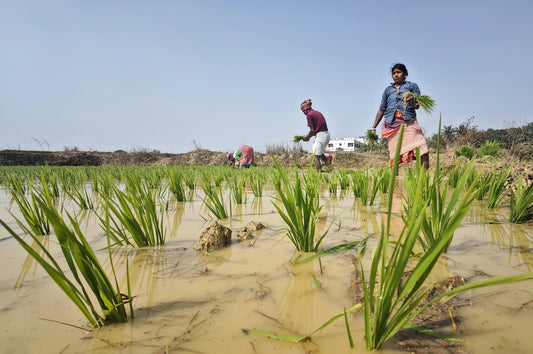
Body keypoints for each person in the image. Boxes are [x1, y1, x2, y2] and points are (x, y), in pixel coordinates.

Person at [371, 63, 429, 169]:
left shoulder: (412, 86)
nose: (396, 75)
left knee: (422, 149)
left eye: (399, 72)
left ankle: (424, 179)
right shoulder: (388, 90)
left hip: (409, 122)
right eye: (394, 73)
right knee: (395, 156)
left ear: (405, 73)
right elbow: (381, 109)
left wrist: (412, 100)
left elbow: (417, 106)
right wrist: (373, 127)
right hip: (392, 125)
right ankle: (395, 182)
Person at [300, 99, 331, 172]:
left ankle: (319, 175)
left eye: (303, 111)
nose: (303, 113)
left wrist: (307, 137)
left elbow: (312, 131)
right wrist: (308, 136)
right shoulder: (317, 113)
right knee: (320, 153)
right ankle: (330, 169)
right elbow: (316, 130)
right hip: (326, 135)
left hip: (321, 136)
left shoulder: (309, 115)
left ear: (305, 110)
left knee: (315, 157)